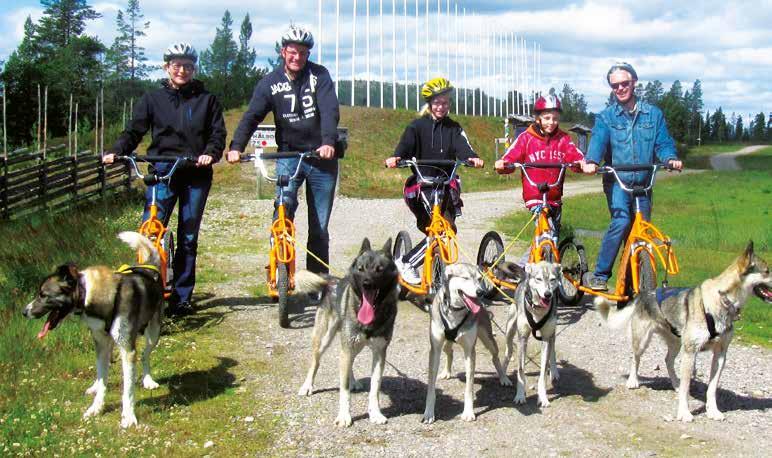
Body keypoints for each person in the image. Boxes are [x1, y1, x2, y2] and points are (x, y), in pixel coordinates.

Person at [103, 42, 226, 316]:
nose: (182, 70)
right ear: (167, 67)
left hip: (195, 172)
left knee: (188, 236)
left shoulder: (207, 100)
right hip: (162, 170)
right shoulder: (152, 99)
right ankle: (145, 293)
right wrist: (116, 151)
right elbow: (134, 130)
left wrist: (210, 153)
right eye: (177, 65)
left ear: (194, 69)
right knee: (150, 231)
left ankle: (182, 296)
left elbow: (217, 135)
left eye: (188, 66)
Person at [226, 25, 340, 275]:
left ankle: (317, 281)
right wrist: (236, 146)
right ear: (282, 52)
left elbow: (330, 110)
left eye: (302, 52)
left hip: (321, 158)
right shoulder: (269, 82)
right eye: (292, 51)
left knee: (319, 226)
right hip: (288, 155)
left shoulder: (320, 75)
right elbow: (252, 115)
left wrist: (328, 142)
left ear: (307, 54)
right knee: (282, 212)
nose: (297, 57)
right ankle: (279, 269)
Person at [581, 62, 683, 291]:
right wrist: (592, 161)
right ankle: (601, 275)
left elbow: (663, 143)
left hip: (644, 184)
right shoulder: (606, 117)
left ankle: (632, 283)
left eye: (624, 83)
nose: (620, 88)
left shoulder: (653, 114)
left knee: (642, 231)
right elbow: (598, 140)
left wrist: (670, 159)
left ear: (634, 83)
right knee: (621, 222)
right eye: (615, 85)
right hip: (619, 182)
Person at [385, 77, 484, 284]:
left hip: (446, 184)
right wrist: (397, 157)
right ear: (430, 103)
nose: (441, 107)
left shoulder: (454, 128)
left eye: (446, 102)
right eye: (437, 103)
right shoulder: (416, 126)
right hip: (424, 185)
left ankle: (434, 276)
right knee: (438, 232)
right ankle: (406, 262)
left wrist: (471, 157)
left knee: (448, 230)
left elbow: (462, 146)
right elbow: (405, 146)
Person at [495, 94, 585, 261]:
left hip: (555, 197)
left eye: (555, 118)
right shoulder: (526, 138)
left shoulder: (563, 139)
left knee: (550, 239)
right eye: (547, 118)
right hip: (535, 197)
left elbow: (574, 155)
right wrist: (503, 163)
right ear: (537, 118)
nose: (551, 122)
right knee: (546, 234)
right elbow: (511, 155)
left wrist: (583, 164)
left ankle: (524, 265)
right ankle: (528, 270)